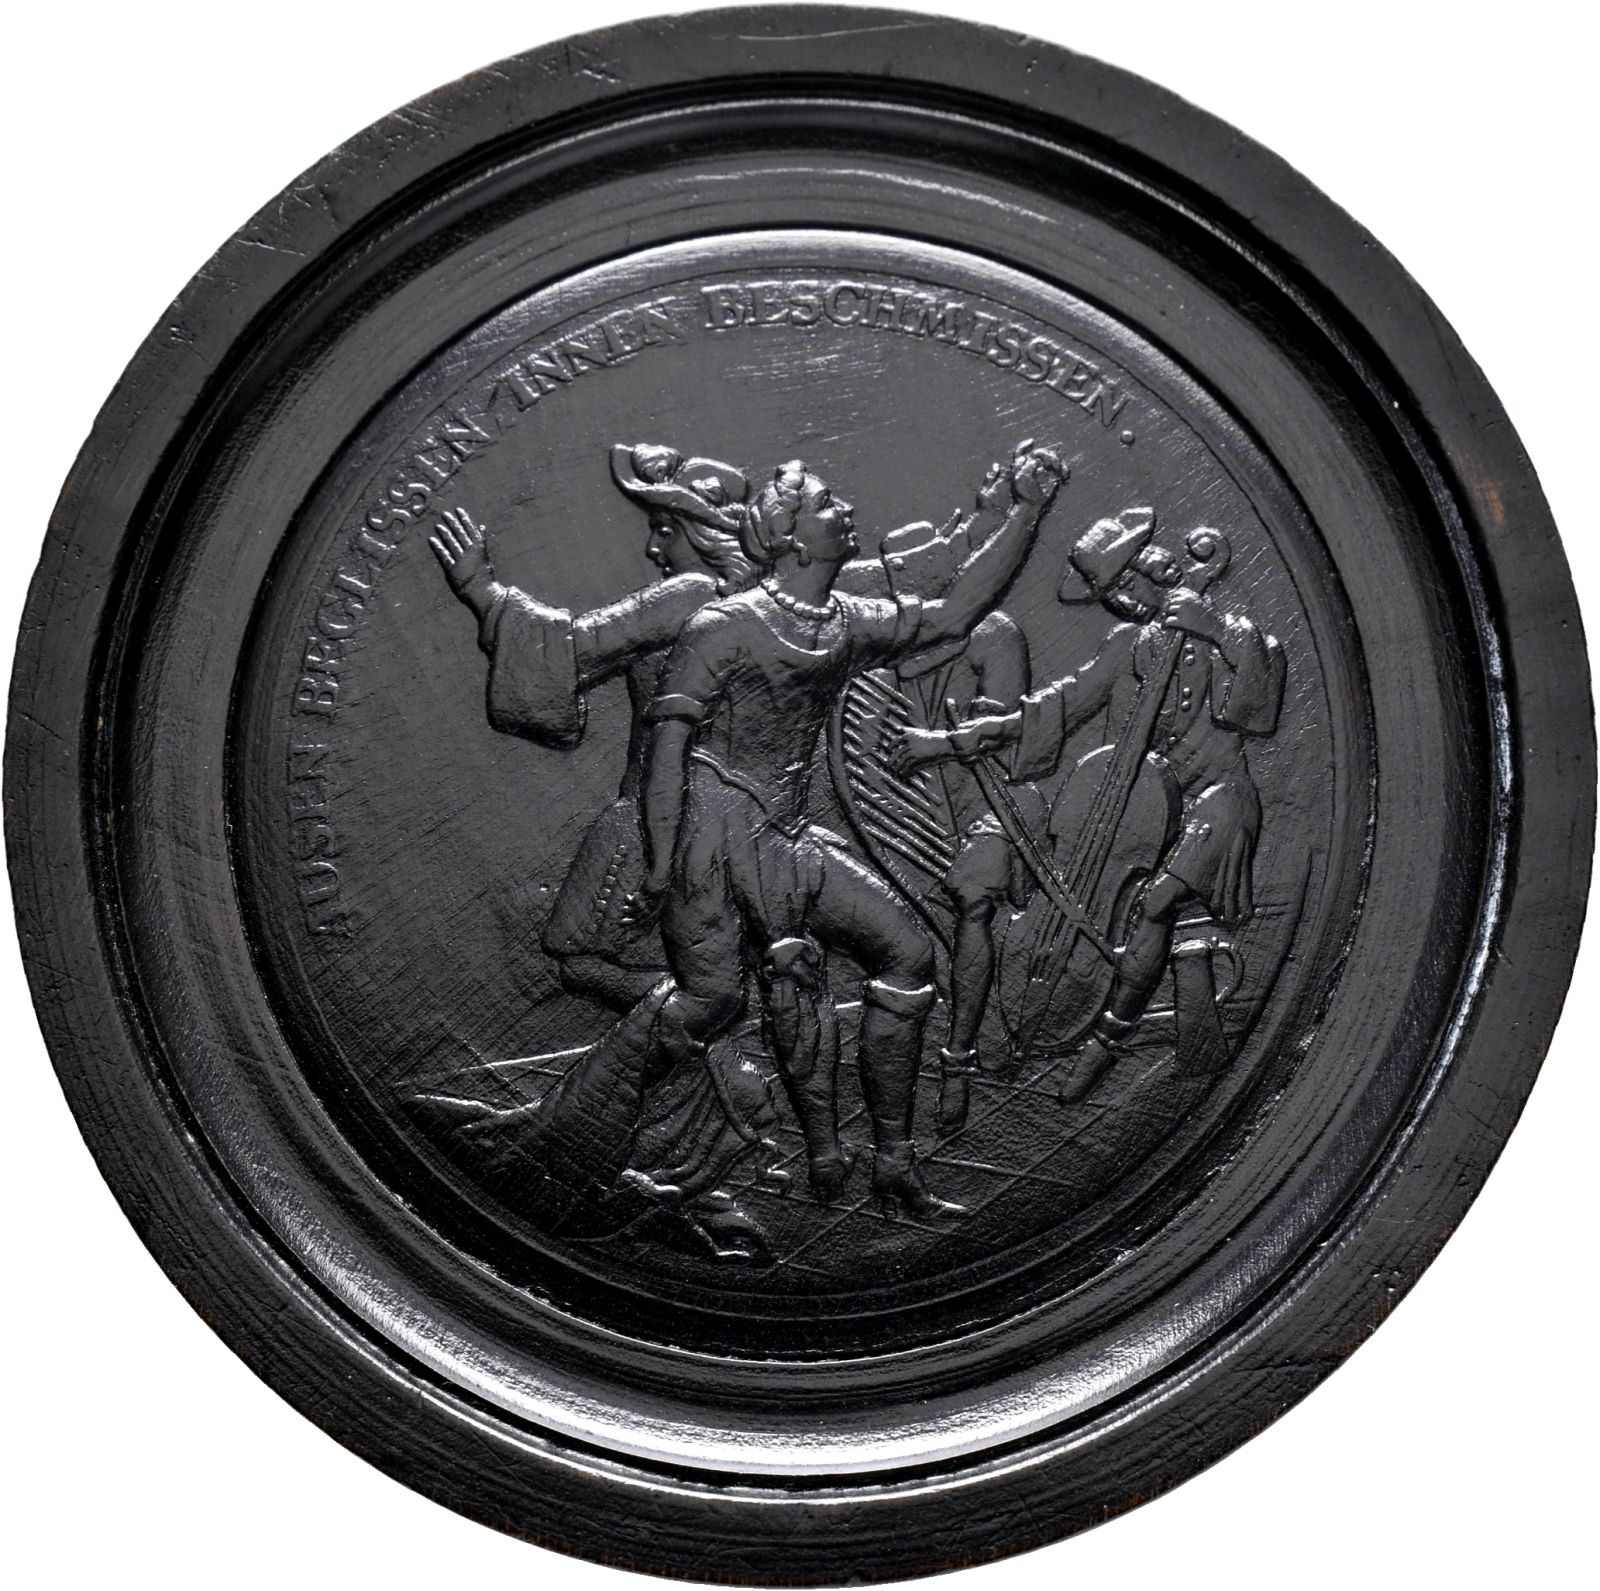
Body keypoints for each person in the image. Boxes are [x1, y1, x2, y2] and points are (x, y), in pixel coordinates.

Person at [603, 443, 1067, 1218]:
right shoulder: (722, 628)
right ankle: (606, 1112)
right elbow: (668, 755)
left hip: (784, 832)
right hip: (713, 840)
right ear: (790, 537)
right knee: (716, 1002)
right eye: (825, 503)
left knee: (908, 955)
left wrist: (1028, 511)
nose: (846, 509)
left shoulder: (842, 623)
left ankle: (892, 1163)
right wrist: (658, 868)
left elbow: (954, 612)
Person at [893, 506, 1284, 1103]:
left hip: (1213, 801)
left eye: (1125, 584)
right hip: (1124, 805)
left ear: (1157, 569)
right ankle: (981, 1038)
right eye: (1110, 593)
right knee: (1007, 871)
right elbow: (1062, 704)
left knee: (1156, 899)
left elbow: (1257, 715)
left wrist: (1217, 630)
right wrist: (959, 738)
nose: (1120, 601)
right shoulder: (1128, 645)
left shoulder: (1240, 639)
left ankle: (1108, 1037)